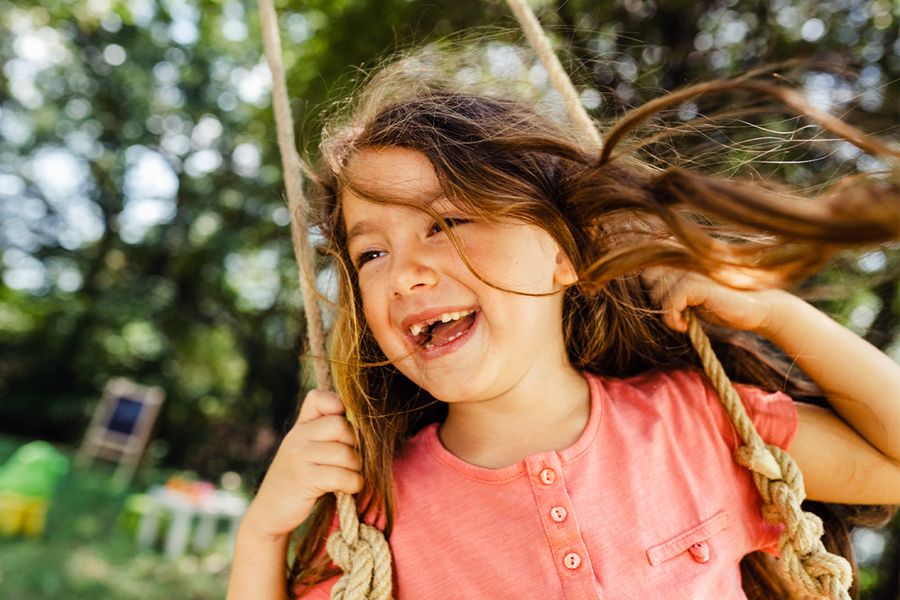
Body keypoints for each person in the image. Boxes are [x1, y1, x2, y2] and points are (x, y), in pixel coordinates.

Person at [227, 47, 900, 599]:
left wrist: (777, 313)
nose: (404, 274)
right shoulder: (375, 507)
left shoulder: (697, 426)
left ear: (562, 253)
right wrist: (262, 533)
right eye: (371, 253)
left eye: (445, 222)